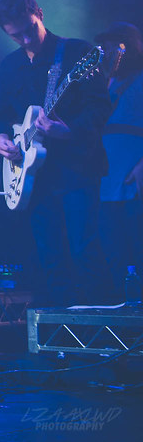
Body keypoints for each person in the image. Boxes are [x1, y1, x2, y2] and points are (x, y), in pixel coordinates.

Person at [0, 0, 112, 306]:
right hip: (35, 178)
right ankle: (64, 335)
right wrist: (2, 139)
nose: (27, 40)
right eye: (17, 36)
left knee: (84, 249)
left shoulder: (77, 54)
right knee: (50, 255)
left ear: (40, 13)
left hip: (76, 170)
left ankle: (100, 333)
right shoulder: (9, 66)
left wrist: (67, 131)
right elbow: (1, 115)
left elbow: (99, 107)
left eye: (30, 29)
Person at [95, 22, 143, 291]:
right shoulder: (104, 85)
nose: (110, 51)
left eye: (116, 45)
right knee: (114, 255)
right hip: (105, 185)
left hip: (134, 185)